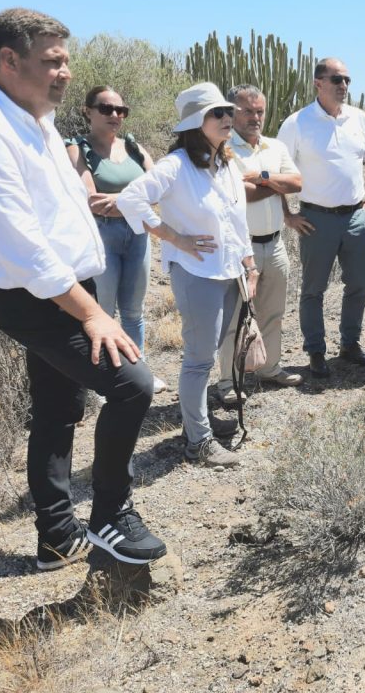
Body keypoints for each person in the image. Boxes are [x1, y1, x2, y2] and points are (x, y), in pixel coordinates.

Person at [0, 8, 166, 570]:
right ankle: (110, 514)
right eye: (51, 62)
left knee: (58, 410)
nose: (65, 73)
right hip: (35, 297)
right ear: (8, 60)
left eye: (66, 61)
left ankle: (57, 538)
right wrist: (92, 315)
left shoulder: (35, 122)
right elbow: (23, 246)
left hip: (66, 287)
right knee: (133, 384)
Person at [117, 83, 258, 468]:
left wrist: (250, 264)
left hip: (228, 270)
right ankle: (198, 442)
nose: (228, 118)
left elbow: (236, 219)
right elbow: (130, 198)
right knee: (198, 358)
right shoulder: (176, 164)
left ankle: (198, 422)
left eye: (228, 111)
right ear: (197, 122)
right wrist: (175, 237)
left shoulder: (226, 163)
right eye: (218, 113)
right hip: (197, 274)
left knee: (209, 353)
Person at [277, 58, 365, 378]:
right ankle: (316, 351)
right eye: (337, 79)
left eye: (347, 80)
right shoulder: (297, 123)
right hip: (315, 219)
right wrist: (287, 215)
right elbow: (277, 172)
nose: (344, 86)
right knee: (313, 289)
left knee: (359, 285)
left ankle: (350, 344)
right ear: (317, 83)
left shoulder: (359, 119)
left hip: (354, 217)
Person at [65, 86, 167, 394]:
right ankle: (102, 381)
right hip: (102, 235)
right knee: (102, 313)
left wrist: (120, 199)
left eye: (121, 110)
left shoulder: (133, 147)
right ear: (88, 111)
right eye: (106, 109)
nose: (115, 115)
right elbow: (92, 200)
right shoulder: (78, 148)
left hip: (137, 233)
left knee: (134, 311)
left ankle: (138, 373)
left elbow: (161, 186)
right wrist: (136, 198)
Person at [216, 84, 304, 404]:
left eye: (260, 111)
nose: (255, 117)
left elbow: (295, 182)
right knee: (234, 316)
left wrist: (260, 177)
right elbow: (241, 196)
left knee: (273, 311)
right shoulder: (224, 148)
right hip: (241, 249)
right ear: (232, 111)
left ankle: (268, 368)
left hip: (275, 243)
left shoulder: (275, 147)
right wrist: (271, 184)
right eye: (247, 110)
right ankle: (227, 381)